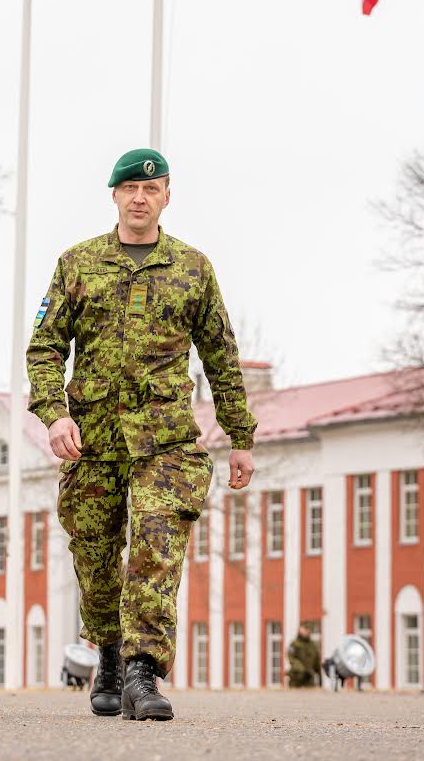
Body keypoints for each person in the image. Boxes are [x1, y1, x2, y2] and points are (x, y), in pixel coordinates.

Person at [26, 148, 257, 721]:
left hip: (168, 440)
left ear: (167, 195)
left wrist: (240, 436)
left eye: (150, 190)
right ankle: (107, 655)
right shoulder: (77, 264)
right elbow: (45, 347)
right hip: (93, 439)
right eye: (129, 188)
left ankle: (142, 673)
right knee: (96, 558)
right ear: (114, 195)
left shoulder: (193, 268)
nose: (139, 197)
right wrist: (55, 414)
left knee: (156, 549)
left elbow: (222, 357)